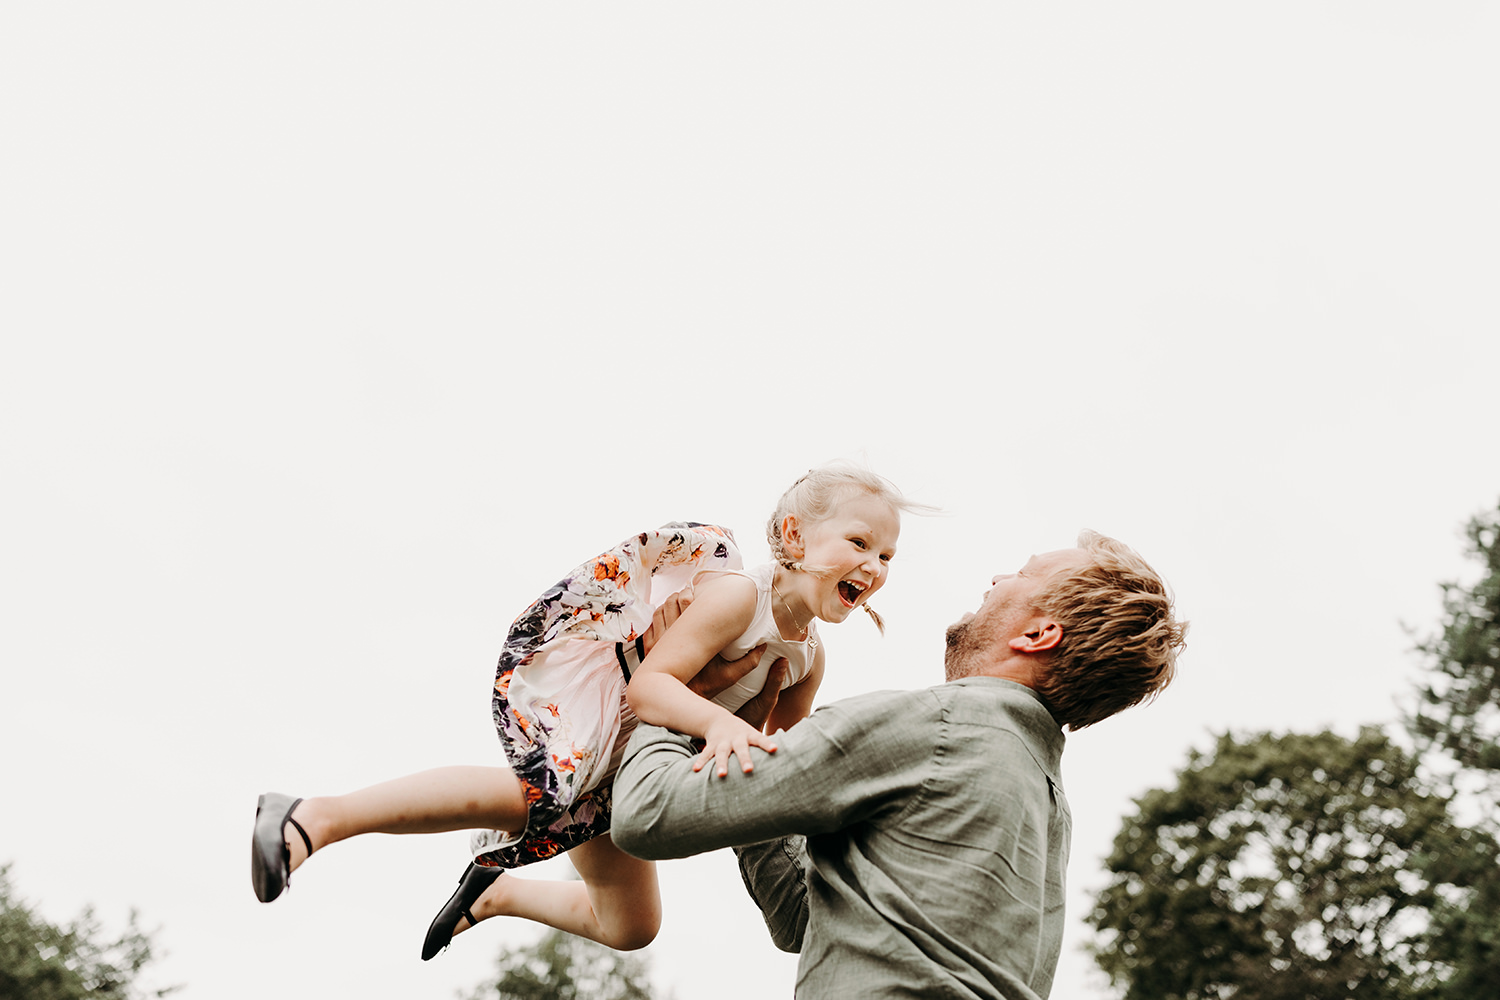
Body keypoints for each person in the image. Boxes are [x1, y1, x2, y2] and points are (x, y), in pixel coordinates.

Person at [249, 464, 930, 960]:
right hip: (610, 734)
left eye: (888, 555)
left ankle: (493, 893)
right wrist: (720, 723)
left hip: (635, 786)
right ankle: (316, 816)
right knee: (520, 797)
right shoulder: (735, 600)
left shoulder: (809, 656)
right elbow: (650, 690)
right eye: (860, 542)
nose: (874, 565)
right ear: (794, 535)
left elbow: (782, 747)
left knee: (631, 928)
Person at [610, 531, 1187, 1000]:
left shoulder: (937, 726)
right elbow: (799, 917)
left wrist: (671, 694)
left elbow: (647, 814)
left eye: (1023, 572)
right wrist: (752, 748)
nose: (997, 579)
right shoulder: (1046, 805)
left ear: (1038, 634)